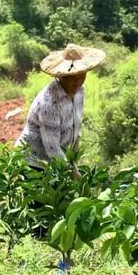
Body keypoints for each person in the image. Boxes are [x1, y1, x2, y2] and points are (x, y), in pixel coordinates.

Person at [15, 44, 106, 178]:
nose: (78, 81)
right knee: (43, 198)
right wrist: (73, 174)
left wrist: (73, 160)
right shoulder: (50, 103)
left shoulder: (80, 91)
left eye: (82, 75)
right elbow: (52, 148)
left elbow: (77, 125)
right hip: (33, 161)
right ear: (62, 75)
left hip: (57, 159)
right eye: (73, 77)